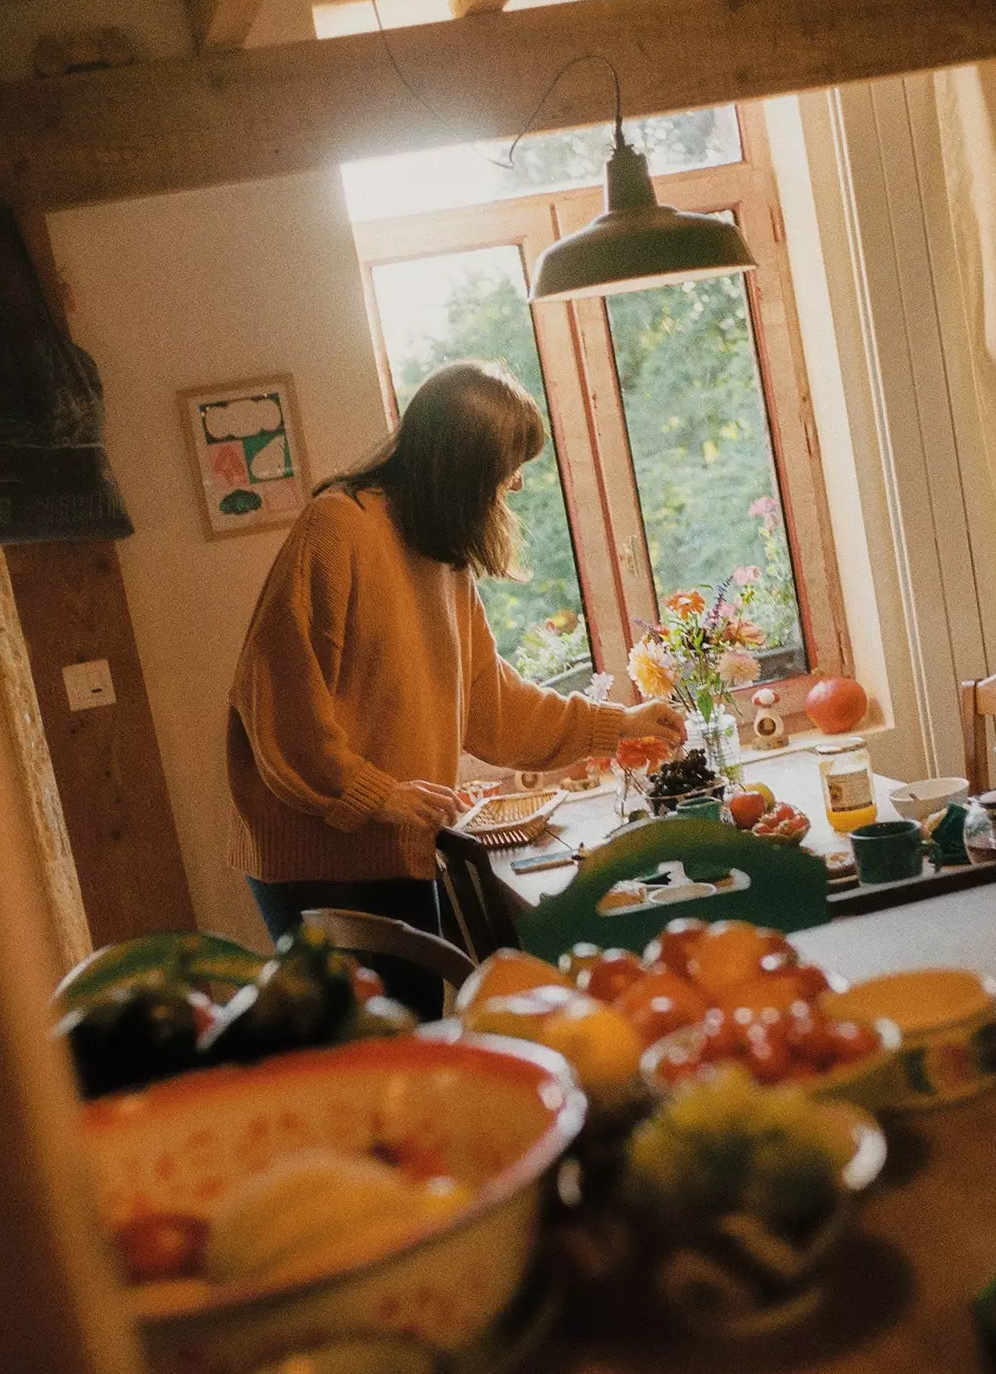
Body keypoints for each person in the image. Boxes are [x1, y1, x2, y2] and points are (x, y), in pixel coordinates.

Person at [226, 360, 685, 1014]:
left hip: (395, 842)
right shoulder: (338, 528)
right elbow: (276, 707)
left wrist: (620, 724)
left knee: (414, 1042)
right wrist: (375, 795)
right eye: (507, 467)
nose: (517, 483)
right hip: (320, 858)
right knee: (371, 1062)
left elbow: (492, 709)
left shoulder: (440, 552)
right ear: (461, 466)